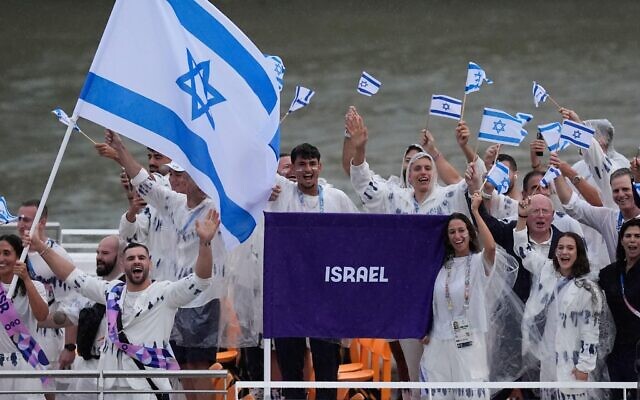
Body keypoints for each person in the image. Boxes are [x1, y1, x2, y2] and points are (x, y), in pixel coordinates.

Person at [26, 209, 220, 400]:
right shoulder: (111, 291)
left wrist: (205, 243)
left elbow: (201, 280)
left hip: (147, 388)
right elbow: (73, 276)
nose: (137, 261)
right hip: (110, 386)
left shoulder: (165, 293)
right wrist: (41, 247)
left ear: (150, 264)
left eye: (141, 258)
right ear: (122, 264)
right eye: (131, 258)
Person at [106, 130, 224, 400]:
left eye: (179, 174)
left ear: (197, 179)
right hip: (174, 295)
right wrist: (122, 150)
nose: (172, 178)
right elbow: (142, 180)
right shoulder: (174, 202)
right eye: (172, 173)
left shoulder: (216, 208)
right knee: (179, 367)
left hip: (203, 297)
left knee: (199, 368)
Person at [270, 142, 358, 400]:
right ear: (292, 170)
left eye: (312, 164)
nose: (307, 169)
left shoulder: (336, 198)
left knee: (327, 369)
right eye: (301, 164)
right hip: (289, 295)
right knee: (291, 370)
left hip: (326, 295)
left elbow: (359, 236)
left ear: (320, 166)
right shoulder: (281, 193)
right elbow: (251, 166)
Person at [514, 197, 606, 400]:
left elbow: (590, 332)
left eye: (570, 248)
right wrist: (521, 217)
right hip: (547, 359)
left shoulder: (588, 289)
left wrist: (584, 366)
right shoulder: (546, 270)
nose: (564, 252)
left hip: (573, 364)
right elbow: (523, 249)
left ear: (579, 253)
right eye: (561, 248)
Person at [419, 193, 496, 400]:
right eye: (452, 232)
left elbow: (491, 247)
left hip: (470, 341)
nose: (457, 236)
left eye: (461, 230)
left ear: (470, 233)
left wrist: (475, 212)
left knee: (470, 394)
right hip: (439, 340)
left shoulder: (479, 262)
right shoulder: (442, 266)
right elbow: (429, 302)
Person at [17, 200, 76, 399]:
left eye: (27, 220)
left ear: (42, 222)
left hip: (47, 336)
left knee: (47, 391)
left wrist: (69, 346)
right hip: (15, 333)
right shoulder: (11, 253)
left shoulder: (57, 256)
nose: (21, 224)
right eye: (19, 219)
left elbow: (71, 303)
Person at [553, 160, 640, 264]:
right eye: (616, 191)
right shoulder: (607, 218)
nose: (621, 194)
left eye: (625, 189)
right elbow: (572, 205)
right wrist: (556, 173)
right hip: (620, 278)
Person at [0, 234, 48, 400]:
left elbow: (41, 315)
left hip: (26, 361)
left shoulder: (35, 286)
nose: (1, 258)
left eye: (6, 253)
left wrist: (26, 279)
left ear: (19, 257)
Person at [598, 218, 640, 400]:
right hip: (615, 348)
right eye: (628, 236)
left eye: (638, 236)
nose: (632, 240)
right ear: (621, 240)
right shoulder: (609, 273)